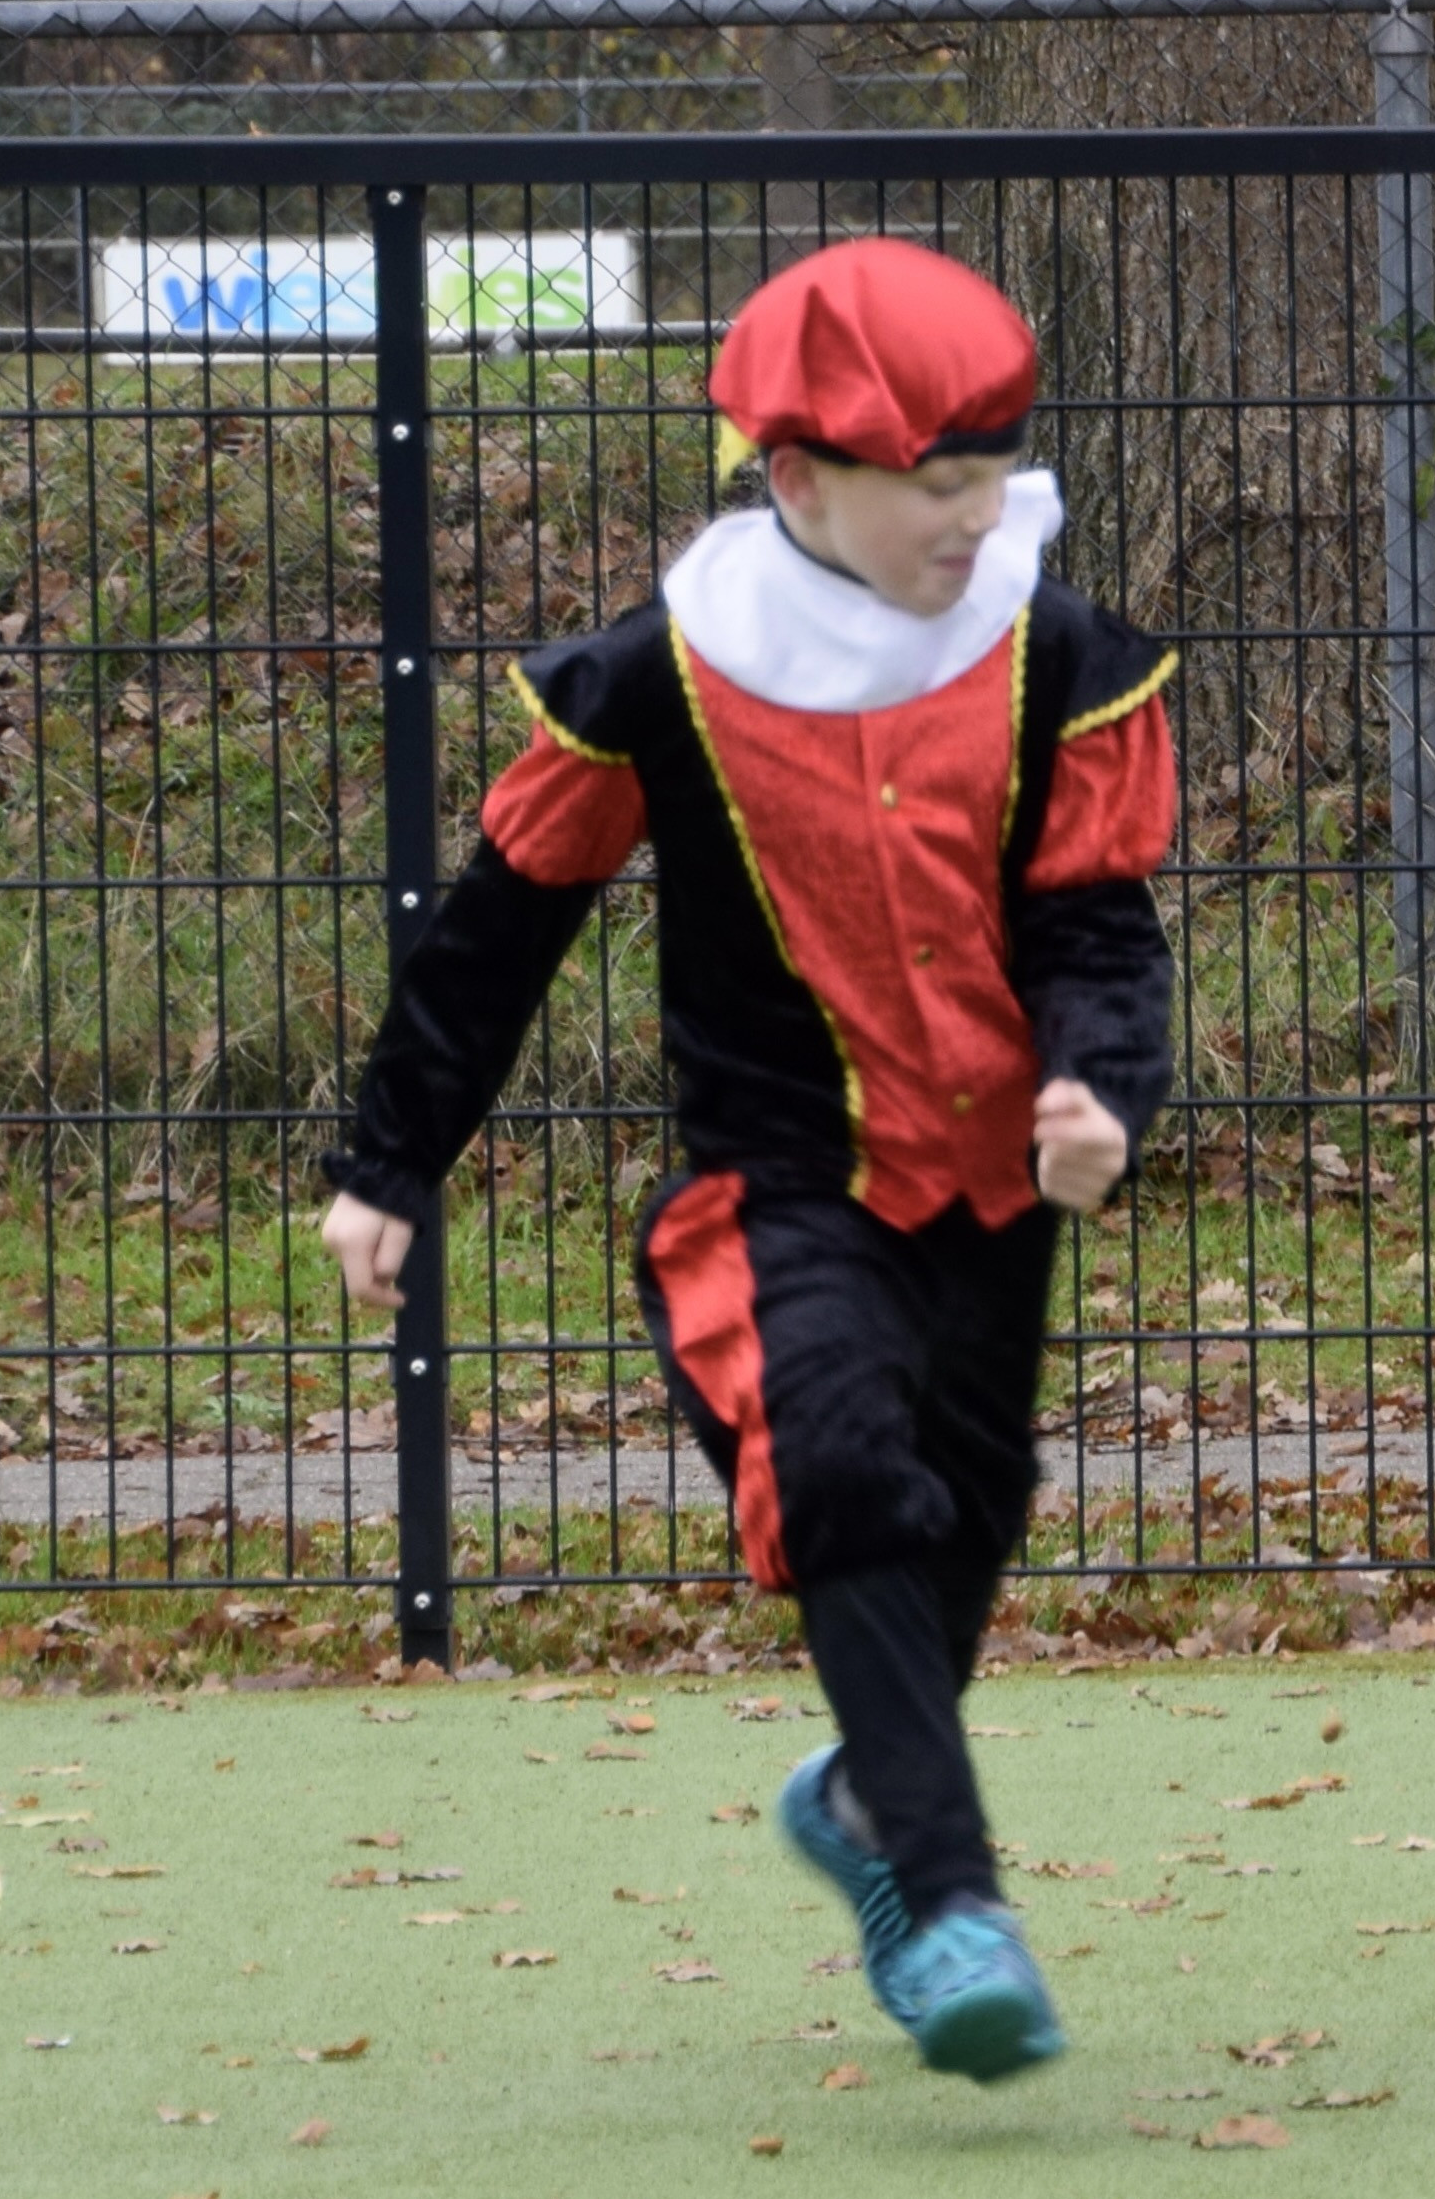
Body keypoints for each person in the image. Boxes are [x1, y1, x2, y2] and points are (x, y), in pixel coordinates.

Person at [314, 235, 1177, 2083]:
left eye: (994, 474)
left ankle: (861, 1798)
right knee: (846, 1469)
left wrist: (1102, 1089)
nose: (978, 515)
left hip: (996, 1192)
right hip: (776, 1180)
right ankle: (951, 1902)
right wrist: (391, 1158)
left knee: (966, 1504)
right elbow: (499, 929)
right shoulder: (668, 678)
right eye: (934, 483)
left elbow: (1097, 928)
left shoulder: (1058, 657)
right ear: (799, 477)